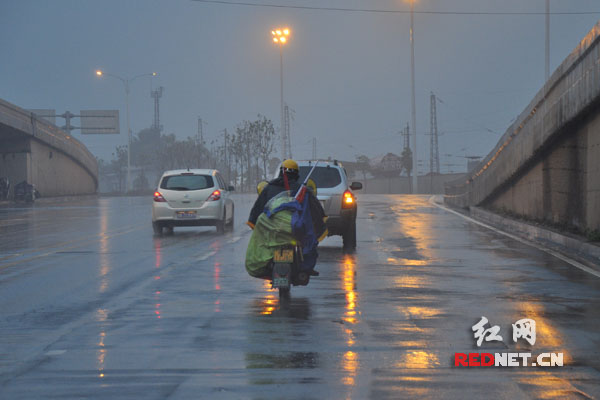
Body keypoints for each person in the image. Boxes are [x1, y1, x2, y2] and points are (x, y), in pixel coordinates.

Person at [246, 159, 327, 276]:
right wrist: (320, 223)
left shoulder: (269, 188)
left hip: (273, 231)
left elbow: (257, 210)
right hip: (296, 230)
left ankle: (267, 264)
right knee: (309, 243)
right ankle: (305, 267)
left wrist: (256, 224)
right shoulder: (303, 190)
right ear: (296, 174)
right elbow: (316, 210)